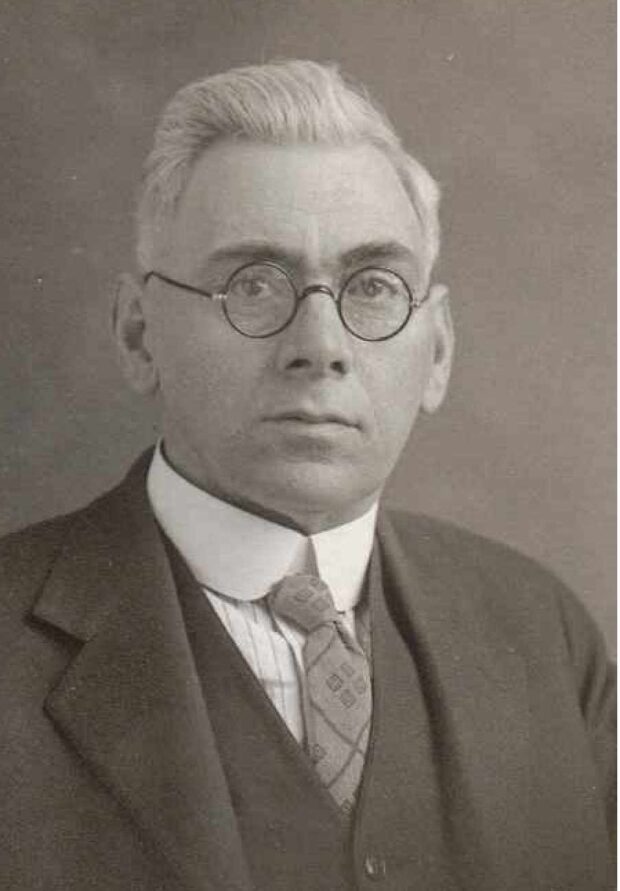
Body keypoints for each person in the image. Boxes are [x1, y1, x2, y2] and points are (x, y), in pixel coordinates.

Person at [1, 60, 614, 891]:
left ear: (436, 352)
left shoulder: (545, 636)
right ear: (139, 335)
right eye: (253, 283)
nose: (319, 344)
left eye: (372, 286)